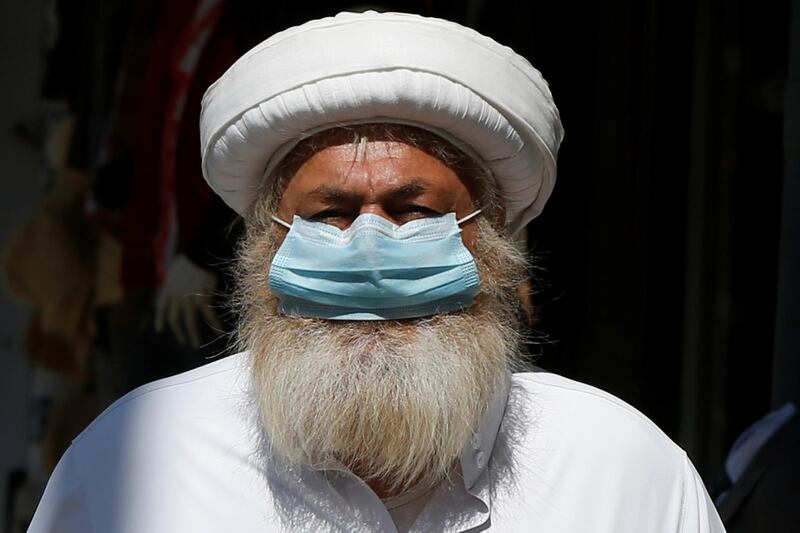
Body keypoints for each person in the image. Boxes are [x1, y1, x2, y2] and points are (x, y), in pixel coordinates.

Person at [28, 11, 725, 532]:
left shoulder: (622, 470)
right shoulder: (137, 460)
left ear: (492, 243)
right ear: (264, 247)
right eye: (329, 212)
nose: (369, 249)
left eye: (414, 209)